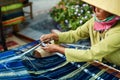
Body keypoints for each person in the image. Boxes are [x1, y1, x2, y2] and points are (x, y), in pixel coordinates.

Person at [34, 0, 120, 66]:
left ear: (112, 11)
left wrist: (58, 49)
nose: (95, 10)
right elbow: (76, 34)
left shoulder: (117, 33)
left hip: (116, 67)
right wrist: (55, 36)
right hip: (102, 61)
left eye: (100, 8)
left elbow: (91, 53)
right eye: (94, 6)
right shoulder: (95, 22)